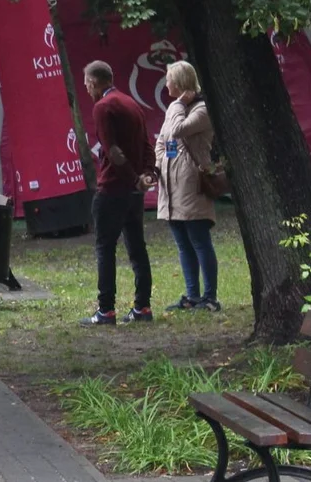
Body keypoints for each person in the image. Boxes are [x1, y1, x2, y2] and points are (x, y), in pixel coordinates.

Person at [82, 60, 155, 325]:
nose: (87, 89)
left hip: (113, 188)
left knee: (105, 248)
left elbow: (111, 150)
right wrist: (148, 174)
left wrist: (134, 179)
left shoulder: (102, 107)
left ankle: (106, 310)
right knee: (137, 248)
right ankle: (143, 307)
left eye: (87, 84)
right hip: (133, 193)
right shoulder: (131, 102)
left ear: (94, 82)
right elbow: (146, 143)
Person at [156, 60, 220, 312]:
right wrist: (161, 162)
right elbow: (163, 140)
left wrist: (179, 104)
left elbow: (178, 130)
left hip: (192, 184)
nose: (166, 83)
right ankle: (192, 295)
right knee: (183, 243)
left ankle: (210, 297)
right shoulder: (176, 107)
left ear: (181, 83)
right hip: (171, 184)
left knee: (199, 240)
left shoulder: (201, 110)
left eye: (170, 79)